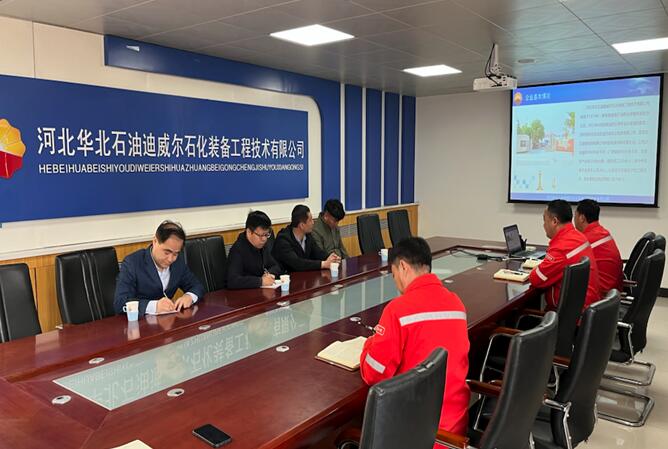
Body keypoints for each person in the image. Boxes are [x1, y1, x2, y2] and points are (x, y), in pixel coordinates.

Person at [359, 237, 470, 436]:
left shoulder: (398, 310)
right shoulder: (457, 304)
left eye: (393, 275)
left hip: (416, 431)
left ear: (403, 267)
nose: (396, 283)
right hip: (455, 428)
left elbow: (374, 373)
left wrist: (370, 343)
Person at [114, 220, 204, 316]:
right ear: (155, 241)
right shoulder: (132, 263)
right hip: (140, 322)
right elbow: (120, 303)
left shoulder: (178, 262)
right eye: (166, 252)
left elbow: (197, 286)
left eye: (175, 254)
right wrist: (154, 306)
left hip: (169, 320)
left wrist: (189, 296)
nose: (170, 259)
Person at [529, 199, 600, 310]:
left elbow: (536, 279)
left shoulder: (562, 247)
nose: (544, 225)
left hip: (569, 315)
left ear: (554, 221)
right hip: (584, 308)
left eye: (545, 220)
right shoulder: (578, 237)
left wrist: (537, 268)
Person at [574, 199, 624, 294]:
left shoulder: (586, 240)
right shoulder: (603, 232)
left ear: (582, 218)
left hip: (601, 293)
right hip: (613, 291)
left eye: (575, 215)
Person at [273, 205, 341, 272]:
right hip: (286, 277)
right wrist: (323, 264)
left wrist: (331, 258)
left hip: (304, 275)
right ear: (302, 225)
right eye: (310, 220)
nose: (313, 222)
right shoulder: (283, 239)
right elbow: (297, 263)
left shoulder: (308, 235)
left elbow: (318, 252)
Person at [227, 210, 283, 289]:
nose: (264, 239)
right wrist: (260, 281)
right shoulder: (238, 249)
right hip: (245, 294)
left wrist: (269, 274)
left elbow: (276, 266)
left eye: (266, 235)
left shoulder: (262, 245)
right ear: (249, 232)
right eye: (261, 235)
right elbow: (232, 281)